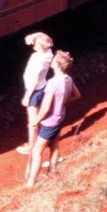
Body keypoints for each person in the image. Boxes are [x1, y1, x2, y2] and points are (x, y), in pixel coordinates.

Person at [25, 50, 81, 187]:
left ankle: (31, 181)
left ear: (57, 65)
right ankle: (53, 171)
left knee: (37, 151)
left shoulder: (52, 83)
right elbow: (77, 95)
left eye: (54, 59)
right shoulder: (68, 79)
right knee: (54, 145)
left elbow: (45, 108)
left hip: (49, 122)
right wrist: (63, 102)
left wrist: (35, 121)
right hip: (60, 117)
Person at [16, 32, 54, 155]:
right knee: (36, 115)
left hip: (34, 90)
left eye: (36, 45)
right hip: (41, 87)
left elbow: (34, 80)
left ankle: (31, 146)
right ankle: (37, 141)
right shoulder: (48, 52)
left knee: (32, 120)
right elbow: (43, 36)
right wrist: (35, 37)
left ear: (41, 47)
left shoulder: (39, 61)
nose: (33, 46)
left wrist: (27, 97)